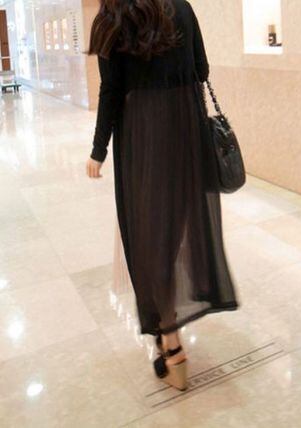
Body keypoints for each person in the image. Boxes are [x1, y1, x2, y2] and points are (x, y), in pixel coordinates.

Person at [86, 0, 238, 391]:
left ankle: (171, 341)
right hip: (185, 134)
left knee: (149, 241)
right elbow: (201, 69)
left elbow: (110, 91)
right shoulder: (182, 8)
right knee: (171, 235)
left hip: (141, 139)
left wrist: (98, 149)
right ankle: (168, 337)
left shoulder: (113, 16)